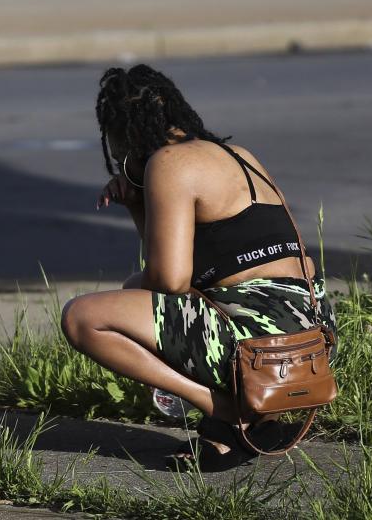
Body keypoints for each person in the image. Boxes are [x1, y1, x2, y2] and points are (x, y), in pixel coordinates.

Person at [60, 64, 338, 469]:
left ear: (123, 131)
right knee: (134, 287)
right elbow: (174, 274)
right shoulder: (237, 155)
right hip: (311, 334)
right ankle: (255, 417)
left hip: (261, 343)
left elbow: (169, 281)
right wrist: (138, 204)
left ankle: (223, 409)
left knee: (83, 317)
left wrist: (139, 181)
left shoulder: (169, 163)